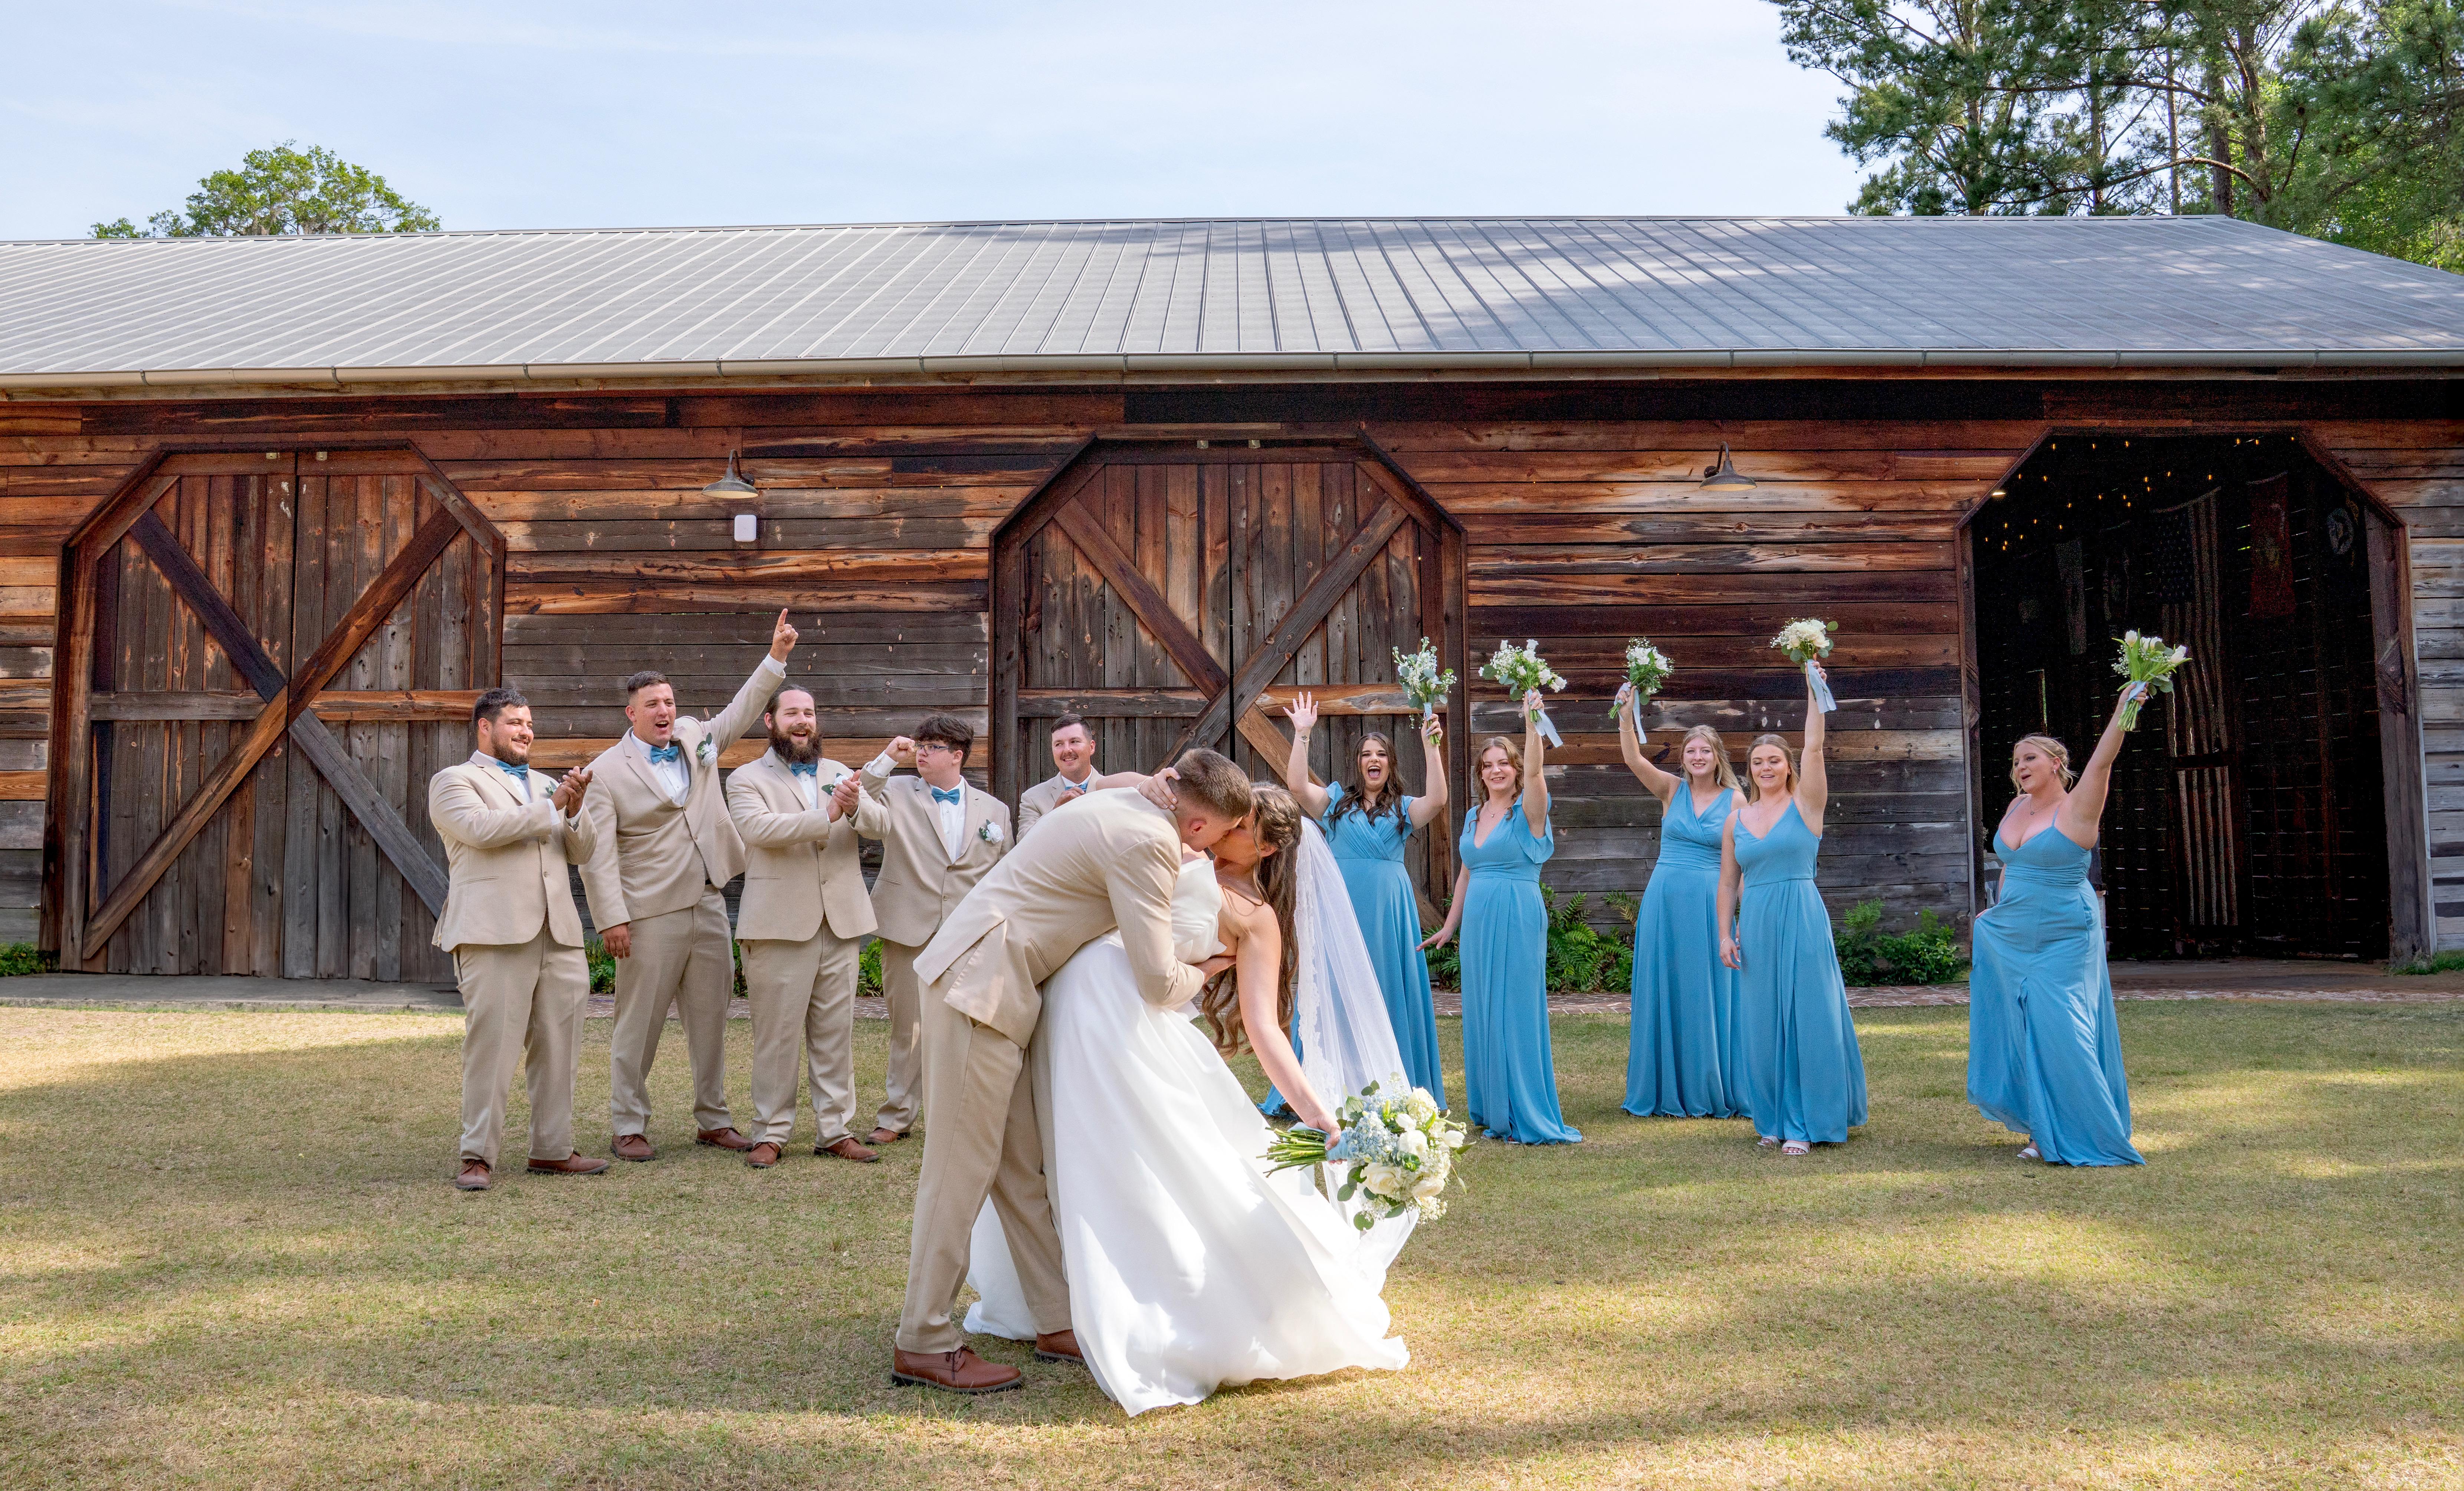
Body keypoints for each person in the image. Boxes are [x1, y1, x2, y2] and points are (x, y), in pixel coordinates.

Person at [964, 779, 1411, 1416]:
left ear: (1266, 846)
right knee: (1054, 1150)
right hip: (1068, 1001)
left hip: (1131, 1027)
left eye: (1240, 827)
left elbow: (1264, 1028)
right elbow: (1111, 811)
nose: (1222, 831)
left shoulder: (1255, 916)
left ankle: (1136, 1301)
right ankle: (1052, 1299)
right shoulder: (1170, 848)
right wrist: (1133, 784)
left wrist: (1315, 1112)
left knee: (1127, 1165)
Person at [890, 750, 1252, 1396]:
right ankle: (923, 1338)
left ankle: (1056, 1318)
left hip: (995, 982)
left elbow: (1124, 783)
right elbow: (1157, 979)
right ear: (1197, 825)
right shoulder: (1151, 842)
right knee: (958, 1168)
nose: (1217, 849)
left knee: (1018, 1163)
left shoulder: (1127, 799)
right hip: (980, 984)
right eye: (1221, 835)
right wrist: (1205, 970)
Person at [579, 610, 798, 1162]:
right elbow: (597, 854)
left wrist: (776, 657)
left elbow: (742, 711)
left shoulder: (696, 737)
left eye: (670, 702)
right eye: (653, 704)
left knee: (711, 1020)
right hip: (648, 912)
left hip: (708, 898)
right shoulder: (605, 771)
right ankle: (628, 1124)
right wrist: (611, 918)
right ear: (631, 713)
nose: (664, 711)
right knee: (638, 1024)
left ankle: (713, 1119)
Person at [430, 688, 606, 1192]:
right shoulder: (454, 781)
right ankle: (477, 1156)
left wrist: (575, 810)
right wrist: (554, 805)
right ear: (485, 727)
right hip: (494, 933)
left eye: (529, 723)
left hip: (559, 932)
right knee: (492, 1050)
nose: (526, 731)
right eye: (514, 722)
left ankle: (552, 1149)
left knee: (560, 1047)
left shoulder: (548, 784)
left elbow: (582, 850)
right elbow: (481, 830)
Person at [1967, 685, 2148, 1166]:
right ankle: (2041, 1126)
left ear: (2055, 763)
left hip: (2065, 930)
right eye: (2016, 761)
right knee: (2023, 1025)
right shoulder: (2015, 807)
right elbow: (2010, 865)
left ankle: (2085, 1130)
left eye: (2029, 758)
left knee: (2059, 1024)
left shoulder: (2077, 807)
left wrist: (2122, 709)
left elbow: (2102, 763)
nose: (2020, 766)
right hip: (2014, 929)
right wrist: (1996, 909)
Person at [723, 686, 886, 1170]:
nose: (803, 721)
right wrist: (827, 815)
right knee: (776, 1037)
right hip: (778, 925)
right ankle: (771, 1131)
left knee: (835, 1034)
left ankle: (835, 1130)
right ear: (770, 721)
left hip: (840, 923)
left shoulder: (839, 773)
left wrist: (855, 807)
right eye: (792, 713)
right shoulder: (746, 778)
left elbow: (880, 825)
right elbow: (758, 830)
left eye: (809, 713)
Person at [1717, 666, 1868, 1155]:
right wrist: (1724, 933)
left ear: (1787, 767)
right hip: (1756, 919)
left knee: (1808, 1015)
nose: (1765, 767)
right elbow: (1727, 881)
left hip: (1801, 913)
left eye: (1774, 760)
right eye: (1757, 761)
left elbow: (1815, 747)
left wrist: (1812, 689)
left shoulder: (1807, 805)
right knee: (1761, 1021)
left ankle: (1806, 1120)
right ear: (1749, 769)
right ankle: (1772, 1118)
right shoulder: (1736, 820)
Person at [1275, 696, 1450, 1105]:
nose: (1374, 760)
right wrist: (1302, 734)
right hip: (1342, 909)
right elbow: (1297, 786)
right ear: (1358, 764)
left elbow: (1438, 801)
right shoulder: (1336, 804)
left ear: (1390, 763)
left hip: (1387, 914)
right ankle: (1325, 1082)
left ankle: (1390, 1079)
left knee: (1387, 989)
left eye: (1381, 754)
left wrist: (1432, 748)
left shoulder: (1404, 810)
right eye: (1367, 754)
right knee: (1336, 990)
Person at [1423, 695, 1581, 1145]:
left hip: (1516, 914)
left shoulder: (1529, 810)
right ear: (1480, 774)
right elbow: (1466, 873)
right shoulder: (1473, 816)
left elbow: (1536, 774)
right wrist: (1450, 925)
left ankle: (1523, 1108)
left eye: (1504, 764)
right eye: (1488, 765)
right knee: (1482, 1009)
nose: (1496, 771)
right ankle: (1493, 1106)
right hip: (1477, 921)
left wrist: (1531, 725)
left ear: (1515, 769)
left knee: (1514, 1008)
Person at [858, 714, 1013, 1147]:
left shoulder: (994, 810)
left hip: (969, 933)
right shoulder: (897, 791)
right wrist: (888, 758)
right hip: (908, 925)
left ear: (957, 755)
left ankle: (962, 1116)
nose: (922, 754)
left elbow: (1006, 872)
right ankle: (896, 1116)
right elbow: (859, 797)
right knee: (907, 1027)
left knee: (968, 1026)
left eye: (932, 747)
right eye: (920, 746)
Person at [1615, 705, 1746, 1119]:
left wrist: (1745, 917)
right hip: (1665, 901)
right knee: (1667, 986)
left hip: (1710, 904)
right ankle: (1663, 1086)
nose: (1697, 757)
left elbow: (1741, 865)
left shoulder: (1735, 800)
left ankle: (1710, 1083)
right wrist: (1625, 715)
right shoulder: (1671, 791)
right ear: (1683, 758)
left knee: (1706, 989)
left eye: (1705, 751)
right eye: (1691, 751)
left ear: (1717, 757)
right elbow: (1633, 758)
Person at [1016, 714, 1099, 839]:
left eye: (1074, 742)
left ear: (1091, 747)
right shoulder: (1032, 798)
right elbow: (1023, 842)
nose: (1067, 750)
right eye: (1059, 744)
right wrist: (1055, 812)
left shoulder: (1113, 790)